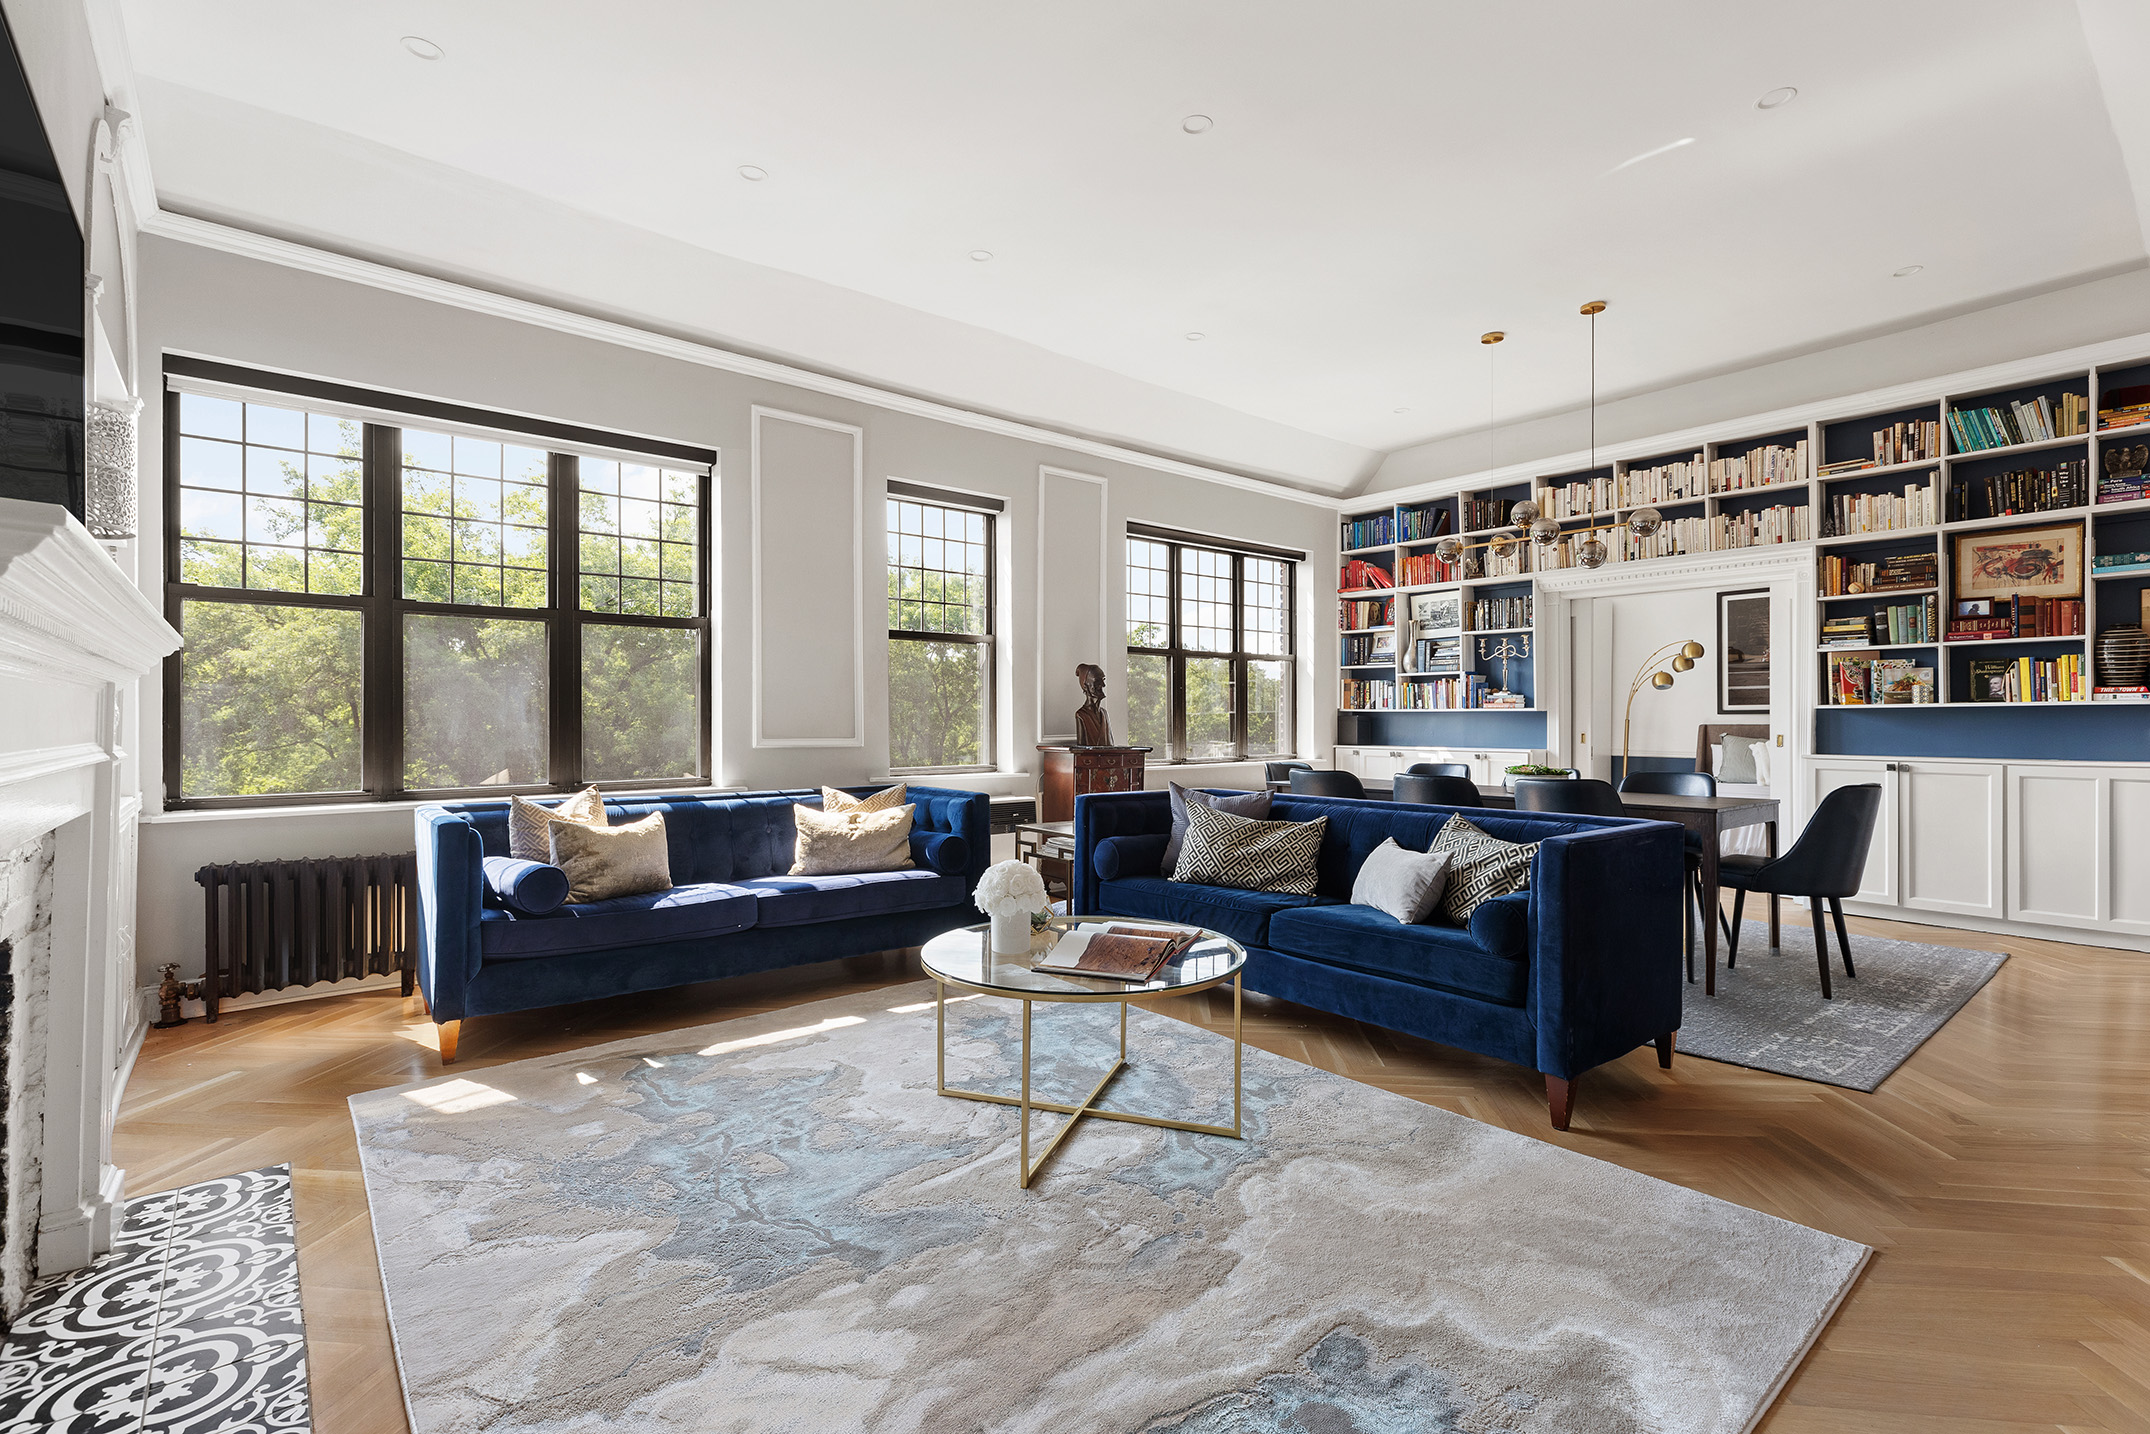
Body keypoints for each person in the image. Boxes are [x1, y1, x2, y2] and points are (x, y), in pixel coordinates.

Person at [1074, 663, 1113, 746]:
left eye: (1103, 680)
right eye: (1097, 681)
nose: (1103, 685)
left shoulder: (1104, 714)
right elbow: (1082, 751)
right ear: (1085, 686)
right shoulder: (1081, 715)